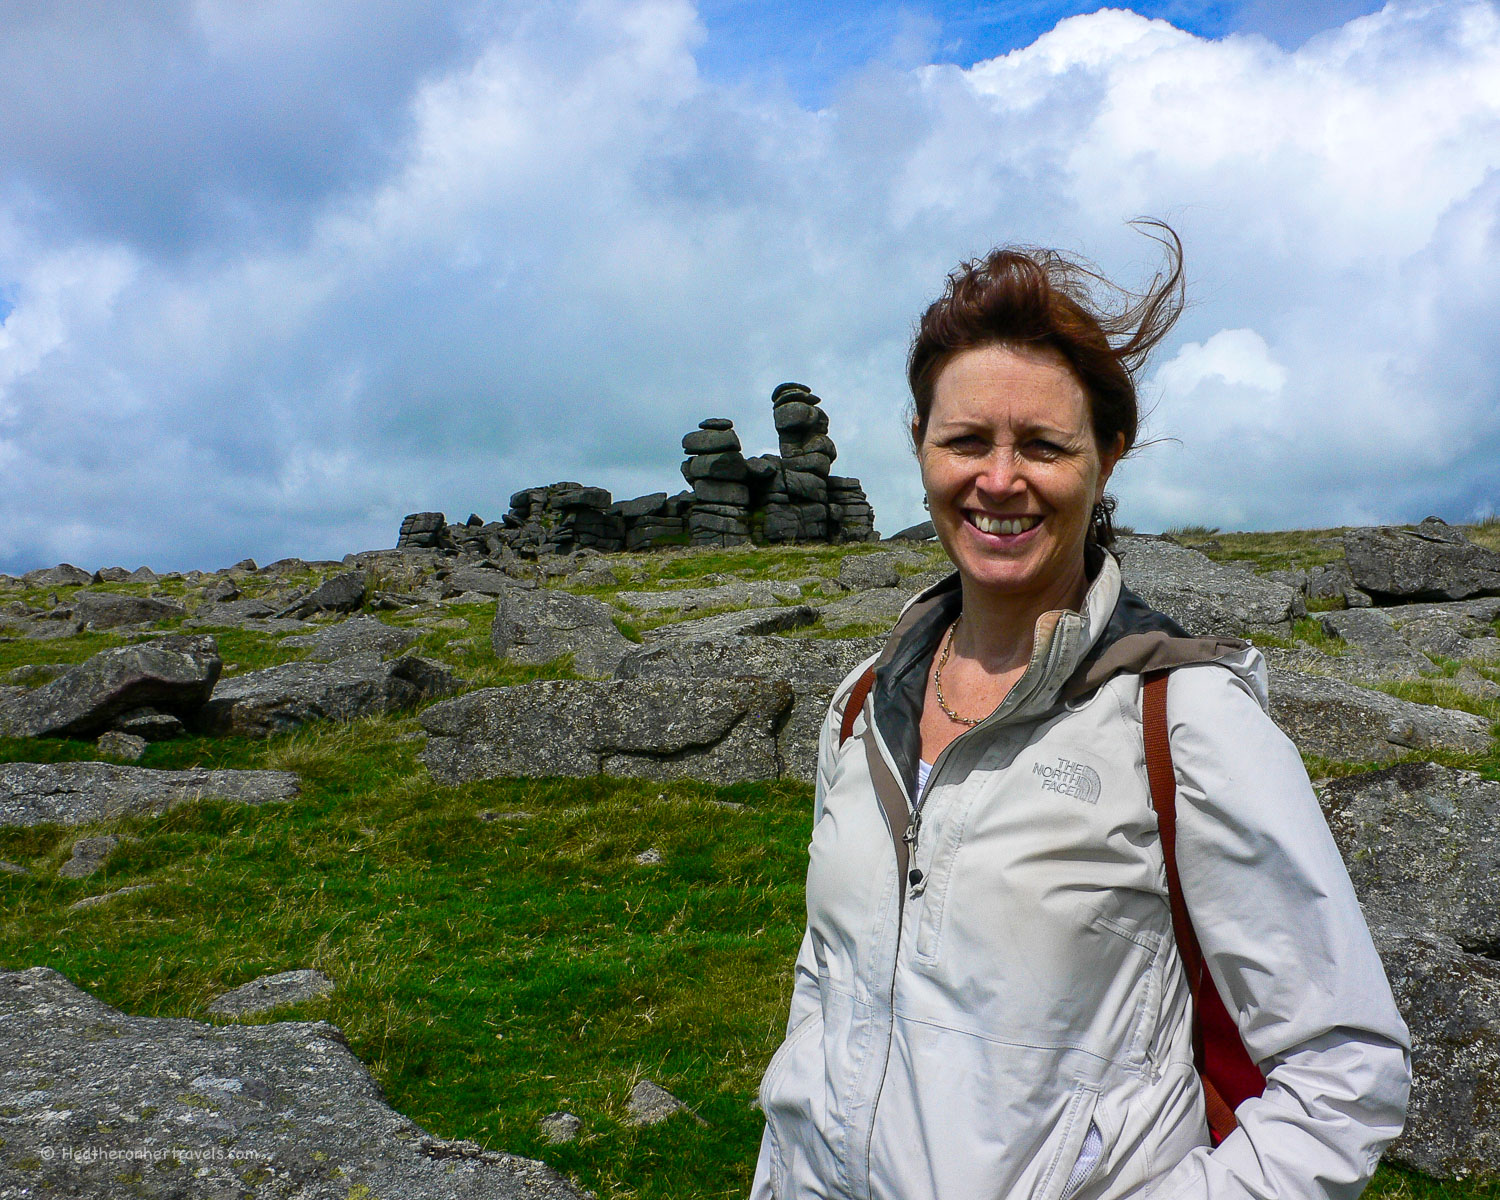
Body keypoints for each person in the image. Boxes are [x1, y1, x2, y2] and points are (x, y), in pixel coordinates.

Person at [749, 224, 1410, 1200]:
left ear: (1107, 455)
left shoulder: (1184, 720)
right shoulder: (858, 709)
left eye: (1044, 446)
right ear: (921, 449)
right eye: (966, 439)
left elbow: (1346, 1068)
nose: (1000, 480)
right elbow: (827, 982)